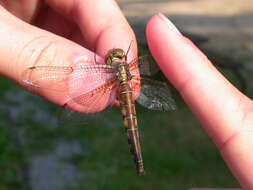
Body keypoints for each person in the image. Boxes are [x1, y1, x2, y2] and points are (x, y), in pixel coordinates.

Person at [0, 1, 252, 189]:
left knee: (128, 122)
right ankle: (139, 161)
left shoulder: (107, 72)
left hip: (120, 91)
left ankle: (138, 161)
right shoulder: (128, 69)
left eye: (116, 56)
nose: (115, 57)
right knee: (131, 118)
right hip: (126, 90)